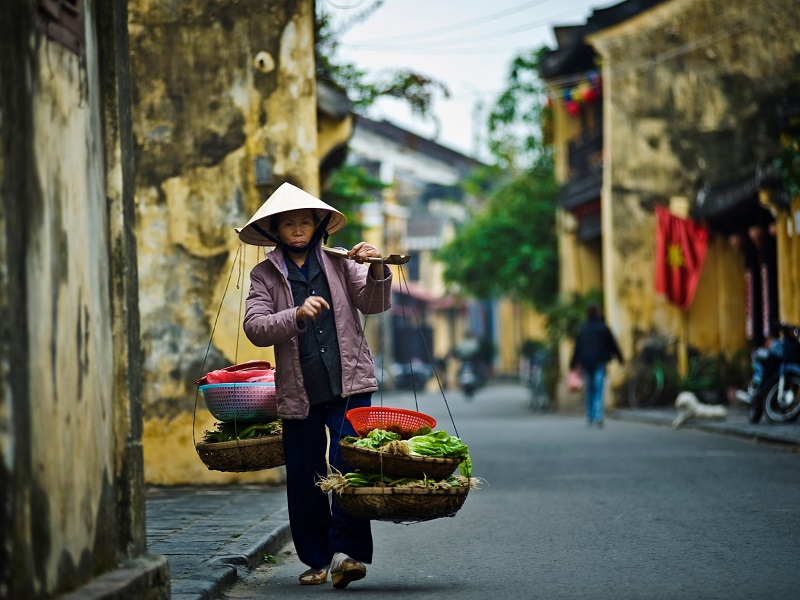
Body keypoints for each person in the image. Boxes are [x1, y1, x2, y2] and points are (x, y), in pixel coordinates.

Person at [239, 182, 392, 588]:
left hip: (350, 383)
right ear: (275, 230)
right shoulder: (264, 274)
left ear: (319, 224)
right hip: (299, 389)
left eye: (305, 222)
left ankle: (348, 554)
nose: (298, 230)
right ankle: (317, 558)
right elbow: (255, 327)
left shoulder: (341, 263)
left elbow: (374, 302)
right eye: (288, 224)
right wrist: (296, 313)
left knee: (348, 466)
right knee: (305, 476)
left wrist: (376, 266)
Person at [569, 303, 624, 427]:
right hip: (599, 362)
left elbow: (577, 348)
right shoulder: (603, 327)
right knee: (598, 389)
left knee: (589, 389)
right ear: (598, 312)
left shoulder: (583, 328)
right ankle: (598, 416)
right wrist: (620, 358)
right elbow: (612, 345)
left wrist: (573, 364)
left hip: (586, 363)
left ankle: (590, 415)